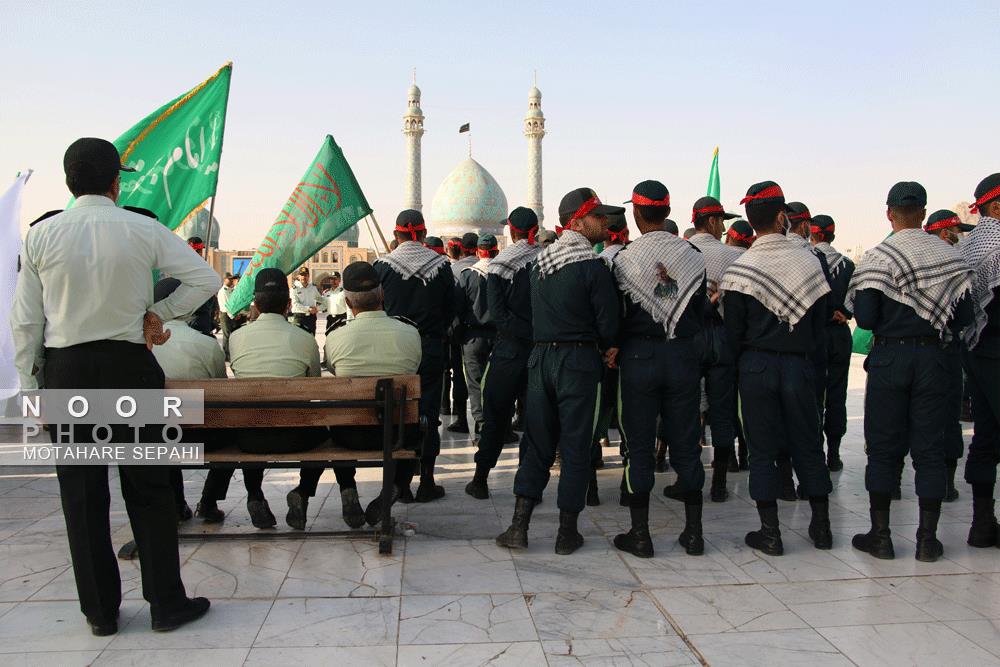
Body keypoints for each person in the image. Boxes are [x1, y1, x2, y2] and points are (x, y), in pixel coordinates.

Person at [11, 137, 217, 635]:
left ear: (68, 182)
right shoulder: (141, 228)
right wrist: (157, 313)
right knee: (148, 489)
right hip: (131, 370)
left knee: (82, 498)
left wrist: (30, 388)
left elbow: (25, 323)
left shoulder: (41, 236)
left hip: (68, 375)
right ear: (115, 182)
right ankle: (166, 604)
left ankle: (100, 613)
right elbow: (204, 280)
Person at [847, 181, 973, 562]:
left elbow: (865, 317)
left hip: (889, 360)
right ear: (923, 212)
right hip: (935, 359)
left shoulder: (878, 257)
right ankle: (926, 539)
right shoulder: (949, 256)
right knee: (930, 450)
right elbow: (964, 316)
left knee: (884, 449)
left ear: (889, 214)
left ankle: (881, 536)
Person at [496, 188, 620, 555]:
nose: (606, 223)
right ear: (578, 222)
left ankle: (519, 526)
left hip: (539, 361)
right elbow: (609, 323)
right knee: (576, 445)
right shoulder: (593, 266)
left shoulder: (541, 264)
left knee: (536, 443)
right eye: (598, 217)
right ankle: (567, 532)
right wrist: (610, 344)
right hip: (578, 364)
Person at [719, 180, 833, 556]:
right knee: (808, 443)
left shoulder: (741, 268)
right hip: (799, 366)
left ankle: (770, 533)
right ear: (783, 216)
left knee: (762, 450)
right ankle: (822, 527)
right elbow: (819, 325)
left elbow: (733, 334)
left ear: (751, 223)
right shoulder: (810, 261)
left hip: (756, 368)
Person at [612, 180, 708, 558]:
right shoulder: (693, 256)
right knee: (686, 443)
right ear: (668, 211)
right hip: (682, 357)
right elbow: (699, 313)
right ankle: (694, 533)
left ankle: (641, 535)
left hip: (638, 360)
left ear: (636, 214)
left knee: (638, 447)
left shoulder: (623, 259)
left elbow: (615, 317)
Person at [229, 268, 365, 530]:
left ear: (255, 304)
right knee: (329, 434)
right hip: (297, 436)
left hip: (250, 438)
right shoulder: (304, 340)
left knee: (254, 416)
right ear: (289, 304)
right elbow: (313, 382)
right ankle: (311, 491)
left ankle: (255, 495)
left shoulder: (236, 339)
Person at [325, 261, 423, 522]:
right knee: (417, 424)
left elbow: (333, 368)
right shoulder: (409, 332)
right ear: (382, 294)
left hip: (350, 434)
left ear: (347, 302)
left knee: (336, 421)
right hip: (397, 434)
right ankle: (394, 487)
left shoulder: (335, 336)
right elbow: (414, 367)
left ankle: (348, 492)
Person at [374, 210, 457, 502]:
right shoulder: (441, 265)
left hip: (394, 349)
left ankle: (402, 483)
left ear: (395, 234)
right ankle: (427, 481)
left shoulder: (382, 267)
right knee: (428, 413)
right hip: (430, 347)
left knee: (398, 414)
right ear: (422, 234)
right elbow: (453, 307)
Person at [149, 278, 244, 525]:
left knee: (164, 432)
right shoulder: (206, 345)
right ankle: (209, 501)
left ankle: (177, 504)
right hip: (203, 437)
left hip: (155, 437)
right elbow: (221, 393)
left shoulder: (138, 346)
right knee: (234, 433)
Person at [467, 208, 541, 498]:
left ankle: (481, 479)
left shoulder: (498, 266)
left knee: (496, 416)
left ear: (511, 232)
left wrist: (517, 332)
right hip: (539, 350)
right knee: (536, 420)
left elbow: (497, 313)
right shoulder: (545, 261)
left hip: (509, 350)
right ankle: (527, 484)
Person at [687, 195, 744, 501]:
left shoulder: (682, 253)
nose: (723, 227)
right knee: (722, 410)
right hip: (721, 338)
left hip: (690, 339)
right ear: (711, 221)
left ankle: (691, 478)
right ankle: (720, 482)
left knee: (689, 407)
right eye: (722, 221)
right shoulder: (733, 257)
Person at [959, 174, 1000, 548]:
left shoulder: (968, 245)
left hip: (976, 352)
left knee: (986, 435)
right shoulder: (997, 245)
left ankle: (982, 523)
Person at [810, 215, 856, 472]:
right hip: (840, 334)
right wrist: (846, 313)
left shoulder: (809, 259)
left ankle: (815, 448)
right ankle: (834, 453)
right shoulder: (848, 264)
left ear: (812, 235)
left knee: (815, 394)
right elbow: (856, 296)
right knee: (837, 394)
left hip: (817, 335)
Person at [457, 234, 499, 438]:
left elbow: (457, 309)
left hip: (472, 338)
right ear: (496, 250)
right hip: (499, 337)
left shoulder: (467, 276)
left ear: (477, 251)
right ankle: (500, 426)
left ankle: (481, 427)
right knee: (498, 382)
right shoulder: (503, 274)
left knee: (475, 384)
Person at [443, 232, 479, 432]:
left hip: (459, 332)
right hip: (486, 332)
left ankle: (462, 420)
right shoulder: (490, 267)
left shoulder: (453, 270)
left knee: (460, 375)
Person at [290, 267, 322, 334]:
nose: (304, 277)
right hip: (299, 318)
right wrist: (309, 309)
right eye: (302, 275)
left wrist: (318, 308)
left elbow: (321, 300)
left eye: (306, 275)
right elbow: (295, 304)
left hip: (311, 319)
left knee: (311, 339)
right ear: (298, 276)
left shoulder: (313, 288)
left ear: (308, 276)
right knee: (298, 340)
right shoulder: (294, 289)